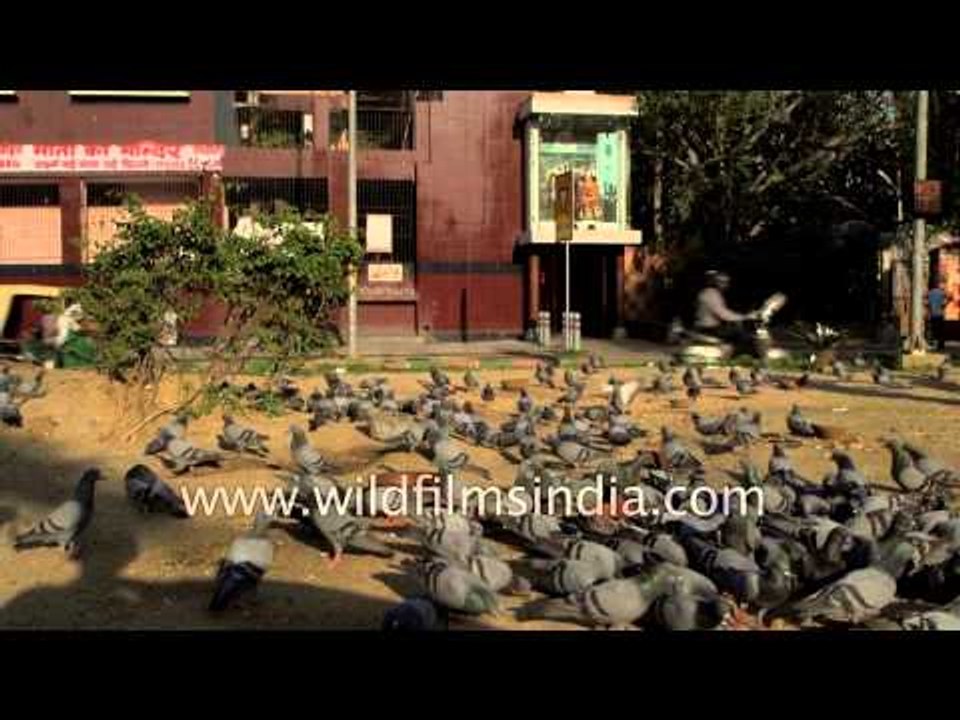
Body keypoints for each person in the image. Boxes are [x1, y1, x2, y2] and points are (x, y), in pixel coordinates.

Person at [694, 271, 758, 345]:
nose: (726, 285)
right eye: (723, 282)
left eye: (726, 282)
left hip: (710, 327)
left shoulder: (707, 292)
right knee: (746, 337)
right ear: (715, 282)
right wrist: (746, 317)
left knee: (739, 330)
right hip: (708, 329)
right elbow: (724, 315)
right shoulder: (711, 294)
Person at [927, 280, 948, 350]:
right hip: (940, 314)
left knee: (934, 330)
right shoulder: (942, 293)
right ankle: (940, 346)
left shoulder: (929, 293)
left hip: (933, 314)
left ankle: (933, 344)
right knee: (941, 331)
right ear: (939, 285)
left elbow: (928, 304)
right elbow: (944, 304)